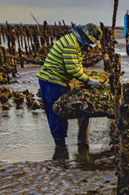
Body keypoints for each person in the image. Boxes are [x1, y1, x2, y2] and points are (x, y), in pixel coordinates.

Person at [37, 23, 103, 152]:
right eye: (90, 41)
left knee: (61, 113)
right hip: (52, 81)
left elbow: (76, 66)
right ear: (85, 36)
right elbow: (72, 69)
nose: (89, 45)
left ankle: (62, 146)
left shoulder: (74, 41)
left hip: (57, 81)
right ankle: (60, 148)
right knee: (56, 113)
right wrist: (89, 81)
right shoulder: (71, 44)